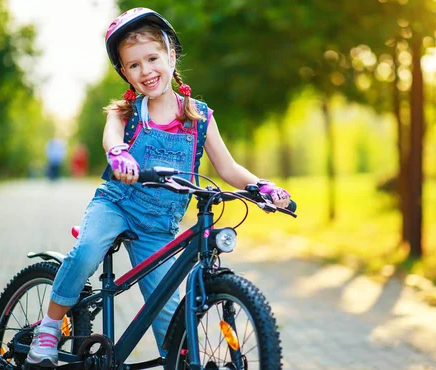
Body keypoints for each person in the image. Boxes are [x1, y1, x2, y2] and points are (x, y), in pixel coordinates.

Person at [26, 7, 291, 367]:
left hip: (159, 226)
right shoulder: (125, 111)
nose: (146, 71)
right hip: (117, 204)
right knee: (87, 251)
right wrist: (119, 153)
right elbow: (111, 139)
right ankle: (50, 325)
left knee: (170, 318)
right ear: (124, 72)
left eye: (152, 58)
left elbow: (227, 167)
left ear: (171, 55)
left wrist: (260, 186)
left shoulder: (199, 116)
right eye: (133, 65)